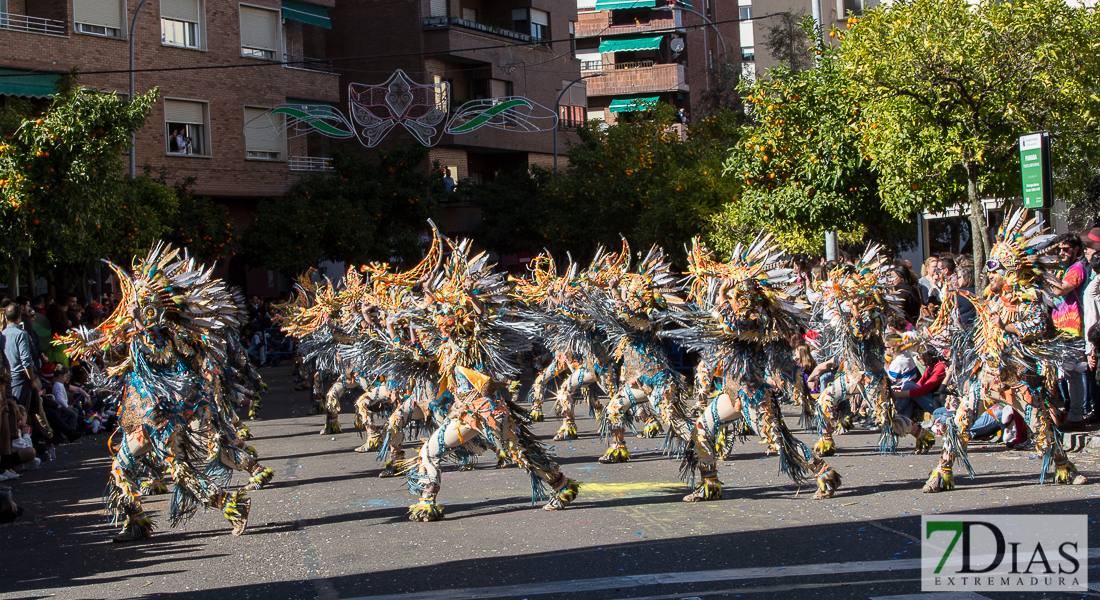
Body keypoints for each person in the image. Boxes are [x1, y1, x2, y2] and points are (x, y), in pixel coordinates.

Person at [1050, 233, 1088, 431]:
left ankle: (1076, 417)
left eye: (1066, 249)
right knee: (1061, 373)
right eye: (1060, 249)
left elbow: (1060, 290)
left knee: (1073, 374)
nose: (1062, 253)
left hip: (1073, 329)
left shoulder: (1076, 268)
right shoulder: (1061, 269)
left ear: (1077, 250)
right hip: (1058, 328)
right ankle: (1065, 412)